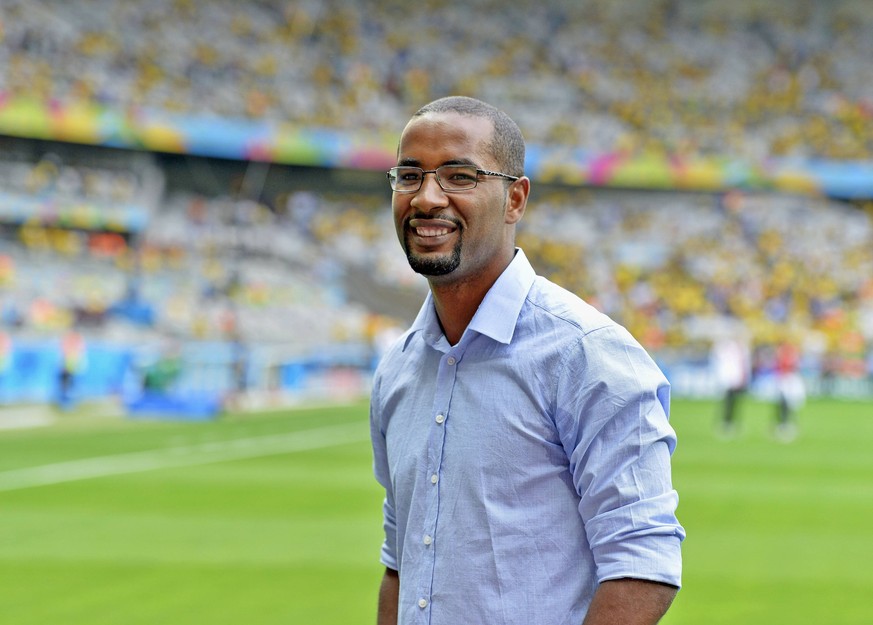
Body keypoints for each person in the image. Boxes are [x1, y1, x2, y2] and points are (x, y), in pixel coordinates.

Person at [369, 96, 685, 625]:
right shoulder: (398, 367)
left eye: (459, 176)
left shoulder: (585, 354)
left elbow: (643, 565)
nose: (426, 198)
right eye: (408, 175)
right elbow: (400, 560)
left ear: (515, 199)